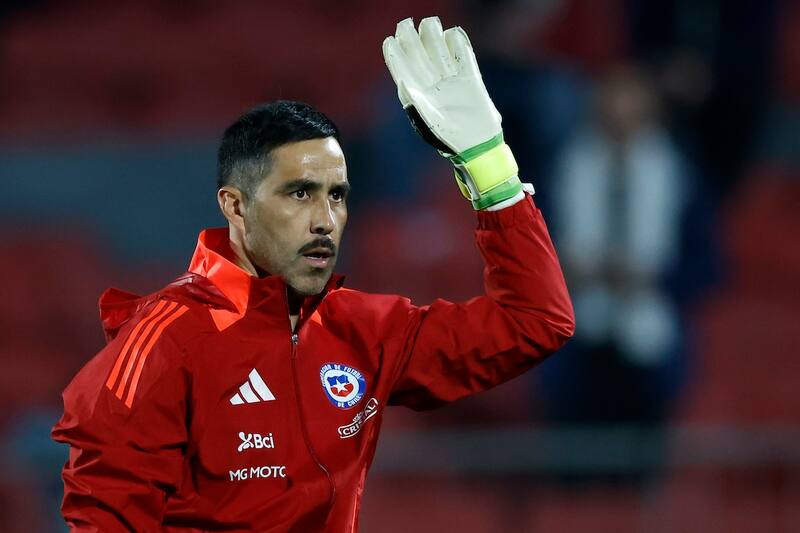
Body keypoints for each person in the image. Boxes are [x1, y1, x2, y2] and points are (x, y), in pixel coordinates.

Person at [52, 17, 574, 532]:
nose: (325, 220)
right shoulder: (164, 343)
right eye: (299, 193)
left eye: (337, 196)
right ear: (235, 207)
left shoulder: (365, 332)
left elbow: (536, 322)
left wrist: (489, 165)